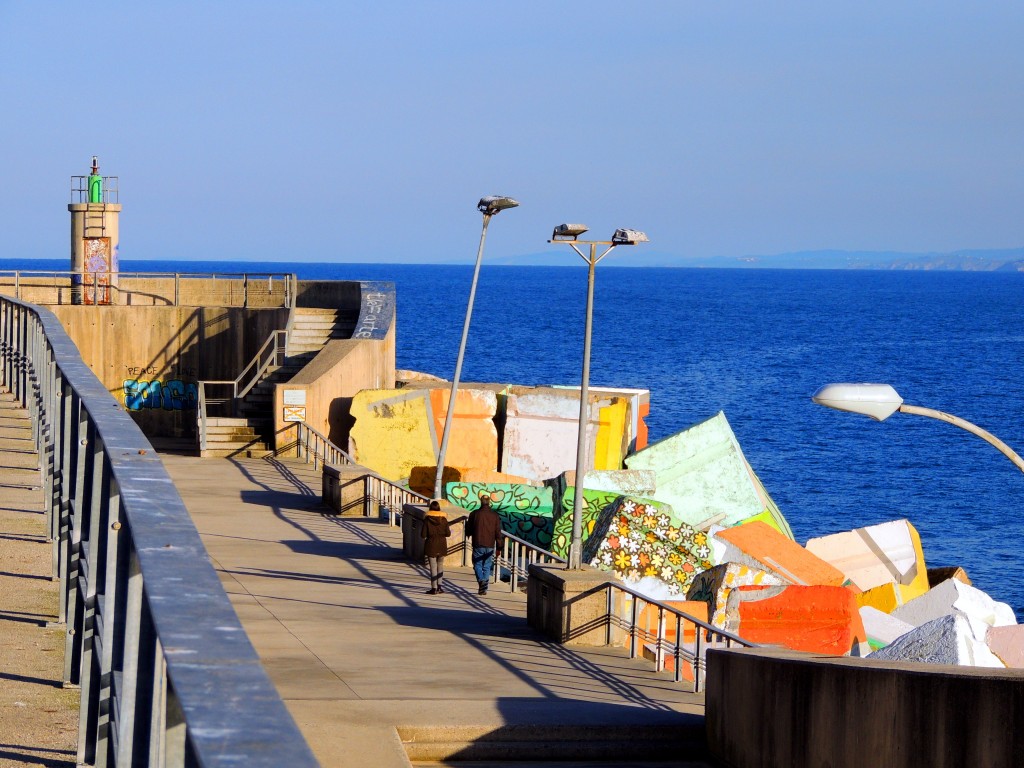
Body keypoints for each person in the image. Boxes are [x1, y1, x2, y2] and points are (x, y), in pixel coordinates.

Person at [466, 493, 503, 595]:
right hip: (490, 544)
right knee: (486, 566)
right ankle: (484, 589)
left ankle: (481, 581)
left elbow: (469, 528)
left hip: (478, 543)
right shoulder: (495, 515)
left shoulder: (474, 514)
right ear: (489, 502)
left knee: (477, 564)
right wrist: (499, 547)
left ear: (480, 502)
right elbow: (498, 532)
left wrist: (468, 534)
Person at [420, 500, 451, 594]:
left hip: (431, 544)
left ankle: (433, 588)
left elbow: (423, 534)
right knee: (440, 566)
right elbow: (448, 534)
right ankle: (440, 587)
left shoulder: (427, 520)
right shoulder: (444, 520)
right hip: (442, 544)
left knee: (433, 567)